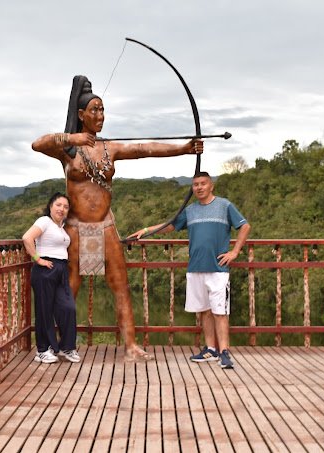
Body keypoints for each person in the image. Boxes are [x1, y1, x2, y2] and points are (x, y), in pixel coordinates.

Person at [31, 75, 203, 361]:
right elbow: (38, 143)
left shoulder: (110, 147)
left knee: (119, 284)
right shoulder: (67, 150)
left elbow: (144, 148)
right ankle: (61, 345)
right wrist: (73, 138)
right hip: (76, 228)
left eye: (102, 109)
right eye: (94, 110)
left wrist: (184, 148)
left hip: (105, 226)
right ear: (81, 115)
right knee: (69, 287)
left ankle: (131, 345)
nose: (100, 115)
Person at [129, 171, 251, 369]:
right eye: (195, 185)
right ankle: (211, 350)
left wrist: (235, 251)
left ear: (211, 186)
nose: (199, 187)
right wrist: (145, 230)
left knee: (220, 311)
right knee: (204, 311)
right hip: (195, 268)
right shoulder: (191, 210)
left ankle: (225, 352)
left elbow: (244, 226)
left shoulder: (224, 205)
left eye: (203, 183)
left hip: (218, 268)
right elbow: (169, 226)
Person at [22, 192, 80, 364]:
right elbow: (27, 237)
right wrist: (37, 259)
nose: (62, 209)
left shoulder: (61, 228)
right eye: (59, 205)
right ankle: (42, 350)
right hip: (45, 270)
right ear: (50, 206)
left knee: (68, 307)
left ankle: (66, 347)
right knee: (44, 311)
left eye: (66, 207)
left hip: (61, 270)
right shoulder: (44, 221)